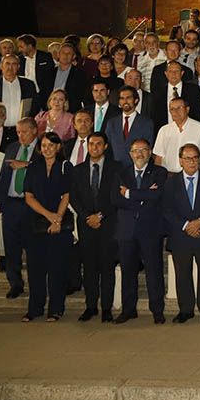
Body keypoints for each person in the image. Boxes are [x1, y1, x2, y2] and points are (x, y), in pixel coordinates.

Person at [162, 143, 200, 323]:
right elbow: (167, 209)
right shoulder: (171, 183)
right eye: (187, 158)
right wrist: (187, 225)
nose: (192, 162)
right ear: (180, 161)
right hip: (181, 235)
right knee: (182, 274)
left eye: (195, 158)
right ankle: (185, 310)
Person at [68, 131, 120, 322]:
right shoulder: (78, 169)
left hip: (108, 224)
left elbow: (117, 197)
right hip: (86, 224)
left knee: (107, 267)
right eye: (91, 144)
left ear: (105, 146)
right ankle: (91, 306)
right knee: (89, 267)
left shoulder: (116, 168)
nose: (94, 147)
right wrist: (87, 216)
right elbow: (73, 197)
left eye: (98, 144)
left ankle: (106, 308)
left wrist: (100, 215)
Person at [115, 138, 168, 324]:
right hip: (126, 230)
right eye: (135, 150)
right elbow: (116, 199)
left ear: (150, 152)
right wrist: (145, 195)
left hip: (151, 230)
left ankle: (157, 311)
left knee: (154, 272)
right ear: (130, 154)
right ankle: (128, 310)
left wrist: (129, 193)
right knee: (128, 272)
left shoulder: (160, 173)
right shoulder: (121, 173)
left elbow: (158, 195)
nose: (139, 154)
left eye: (144, 150)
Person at [23, 132, 74, 322]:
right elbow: (28, 196)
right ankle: (34, 309)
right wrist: (48, 216)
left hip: (60, 224)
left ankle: (55, 309)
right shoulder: (33, 167)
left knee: (57, 269)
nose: (47, 149)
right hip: (36, 223)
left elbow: (67, 195)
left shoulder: (65, 166)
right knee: (35, 269)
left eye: (51, 145)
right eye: (44, 145)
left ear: (58, 147)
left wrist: (57, 219)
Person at [0, 117, 39, 299]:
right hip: (11, 203)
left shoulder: (42, 148)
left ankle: (36, 282)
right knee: (11, 247)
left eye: (25, 131)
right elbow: (4, 176)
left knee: (33, 246)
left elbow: (48, 169)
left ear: (35, 130)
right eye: (19, 132)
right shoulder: (12, 148)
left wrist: (27, 165)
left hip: (32, 203)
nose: (21, 135)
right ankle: (15, 283)